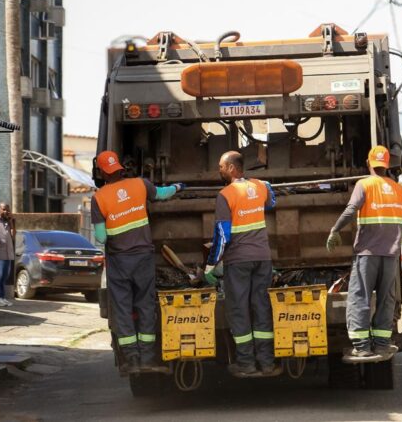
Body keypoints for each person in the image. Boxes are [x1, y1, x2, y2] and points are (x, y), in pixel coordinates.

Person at [91, 150, 184, 374]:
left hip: (119, 261)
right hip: (143, 258)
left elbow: (101, 238)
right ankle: (148, 358)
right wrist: (179, 187)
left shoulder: (99, 198)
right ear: (121, 167)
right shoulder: (140, 184)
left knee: (123, 309)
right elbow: (162, 194)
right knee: (145, 305)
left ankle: (131, 360)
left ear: (102, 172)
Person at [326, 145, 402, 363]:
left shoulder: (364, 184)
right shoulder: (399, 189)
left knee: (360, 297)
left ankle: (362, 347)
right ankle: (382, 346)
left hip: (367, 253)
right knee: (386, 299)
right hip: (390, 254)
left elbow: (350, 209)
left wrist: (335, 230)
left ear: (369, 163)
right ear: (387, 165)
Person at [204, 151, 281, 378]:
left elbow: (222, 235)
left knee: (239, 309)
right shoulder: (259, 186)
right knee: (261, 307)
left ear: (231, 168)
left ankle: (246, 363)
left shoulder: (225, 195)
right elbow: (271, 203)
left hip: (238, 261)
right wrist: (266, 185)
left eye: (221, 166)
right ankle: (266, 363)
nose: (218, 170)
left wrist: (210, 265)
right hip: (263, 259)